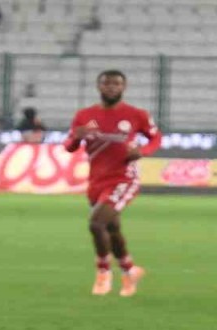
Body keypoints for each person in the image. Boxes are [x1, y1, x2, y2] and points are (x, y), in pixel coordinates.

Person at [63, 70, 162, 297]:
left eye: (116, 83)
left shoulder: (136, 115)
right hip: (96, 181)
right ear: (99, 87)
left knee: (96, 223)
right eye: (107, 83)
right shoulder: (85, 115)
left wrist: (142, 150)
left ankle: (103, 273)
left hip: (124, 179)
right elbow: (69, 146)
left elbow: (155, 137)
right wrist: (76, 136)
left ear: (123, 87)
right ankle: (129, 271)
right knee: (112, 228)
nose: (111, 87)